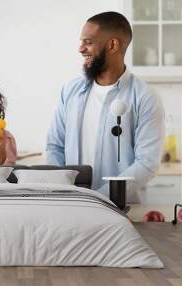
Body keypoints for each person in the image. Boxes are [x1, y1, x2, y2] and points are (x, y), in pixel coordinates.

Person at [46, 11, 165, 202]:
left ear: (112, 45)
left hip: (119, 209)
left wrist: (99, 200)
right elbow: (55, 147)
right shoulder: (70, 91)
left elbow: (147, 163)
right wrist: (63, 191)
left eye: (88, 42)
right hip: (70, 205)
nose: (81, 48)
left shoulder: (145, 97)